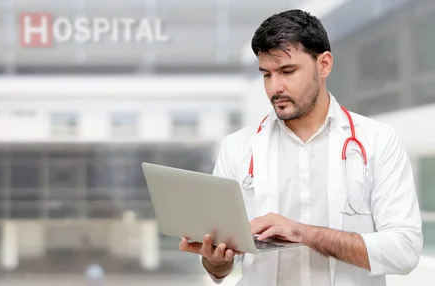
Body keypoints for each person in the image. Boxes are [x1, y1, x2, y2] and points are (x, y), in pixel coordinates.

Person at [178, 9, 423, 286]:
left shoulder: (378, 140)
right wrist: (215, 260)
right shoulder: (237, 148)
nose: (275, 87)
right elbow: (220, 270)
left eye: (287, 71)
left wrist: (303, 233)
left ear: (324, 64)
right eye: (266, 75)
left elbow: (405, 250)